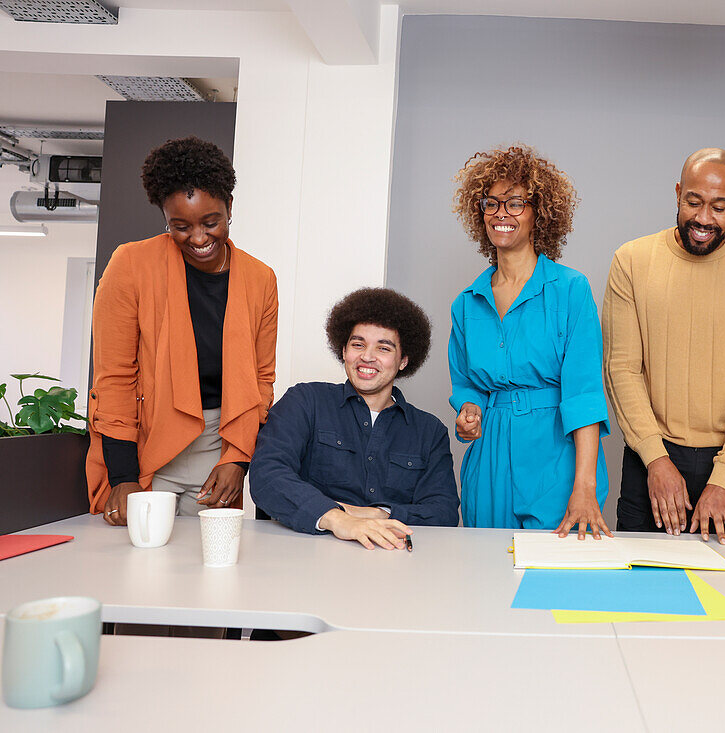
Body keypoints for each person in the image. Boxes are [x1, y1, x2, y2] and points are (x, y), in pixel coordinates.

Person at [603, 147, 725, 544]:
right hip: (650, 457)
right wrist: (655, 459)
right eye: (693, 202)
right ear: (677, 192)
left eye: (719, 207)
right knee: (641, 591)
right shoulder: (632, 260)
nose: (703, 219)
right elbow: (621, 369)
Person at [87, 136, 278, 525]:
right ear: (164, 218)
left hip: (219, 447)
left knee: (210, 571)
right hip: (146, 446)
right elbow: (115, 379)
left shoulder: (260, 279)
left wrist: (238, 460)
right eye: (180, 226)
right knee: (134, 567)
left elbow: (260, 380)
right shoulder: (130, 265)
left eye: (211, 222)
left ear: (230, 208)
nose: (198, 238)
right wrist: (123, 477)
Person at [449, 144, 611, 538]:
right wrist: (469, 412)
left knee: (554, 586)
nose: (502, 213)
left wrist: (584, 487)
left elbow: (584, 394)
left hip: (556, 456)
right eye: (491, 203)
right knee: (484, 580)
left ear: (540, 213)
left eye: (516, 202)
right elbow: (468, 386)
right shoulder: (466, 303)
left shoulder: (571, 290)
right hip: (489, 462)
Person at [251, 288, 459, 549]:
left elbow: (443, 511)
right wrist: (336, 518)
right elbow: (267, 475)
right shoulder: (305, 401)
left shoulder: (429, 432)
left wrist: (378, 513)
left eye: (383, 348)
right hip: (307, 559)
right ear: (344, 350)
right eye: (358, 344)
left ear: (403, 361)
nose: (367, 357)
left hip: (393, 566)